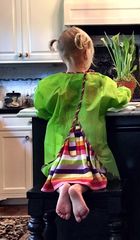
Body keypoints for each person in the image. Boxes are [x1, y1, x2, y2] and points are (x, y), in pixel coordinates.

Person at [34, 27, 131, 222]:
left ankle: (63, 189)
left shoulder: (49, 84)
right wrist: (126, 90)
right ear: (88, 53)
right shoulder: (101, 83)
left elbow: (41, 109)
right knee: (94, 173)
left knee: (59, 172)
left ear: (61, 55)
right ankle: (78, 188)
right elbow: (120, 99)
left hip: (60, 149)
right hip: (88, 148)